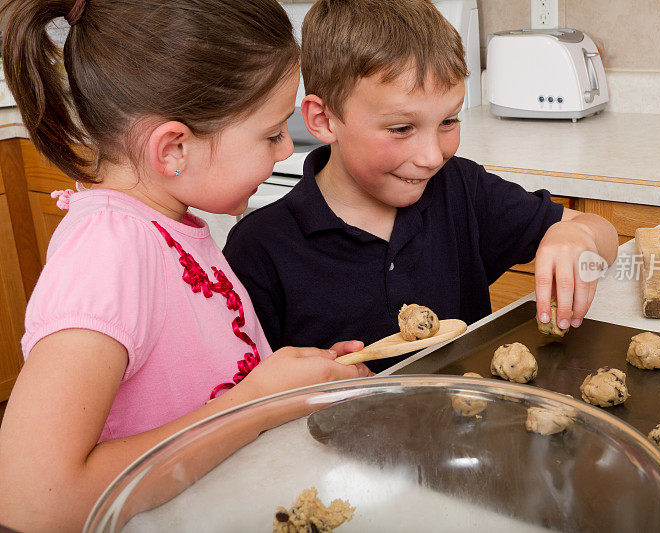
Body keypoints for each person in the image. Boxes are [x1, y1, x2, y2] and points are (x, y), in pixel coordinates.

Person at [0, 0, 369, 529]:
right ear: (173, 148)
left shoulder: (165, 222)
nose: (287, 149)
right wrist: (257, 403)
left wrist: (283, 383)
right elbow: (35, 500)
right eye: (270, 133)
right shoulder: (108, 249)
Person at [223, 0, 619, 373]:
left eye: (448, 121)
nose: (432, 156)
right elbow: (251, 403)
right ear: (324, 119)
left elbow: (605, 238)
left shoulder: (461, 190)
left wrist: (577, 232)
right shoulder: (259, 250)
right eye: (401, 128)